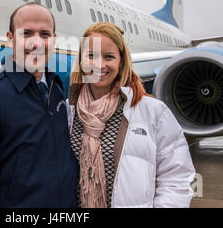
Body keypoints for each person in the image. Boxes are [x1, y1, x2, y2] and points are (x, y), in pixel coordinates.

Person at [0, 2, 78, 208]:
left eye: (45, 34)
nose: (36, 43)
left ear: (54, 40)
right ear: (10, 39)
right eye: (27, 33)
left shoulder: (56, 90)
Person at [68, 22, 195, 208]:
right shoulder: (69, 111)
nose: (99, 64)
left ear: (121, 62)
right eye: (91, 56)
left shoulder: (153, 111)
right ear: (81, 61)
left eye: (109, 56)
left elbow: (177, 177)